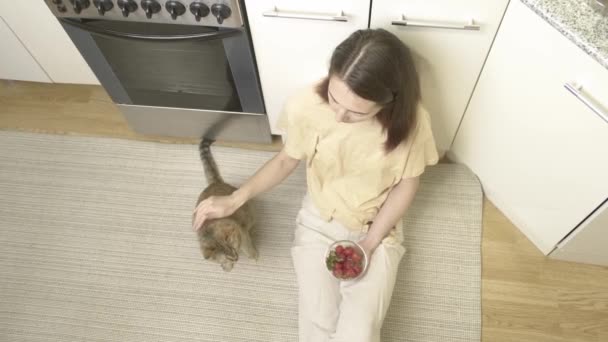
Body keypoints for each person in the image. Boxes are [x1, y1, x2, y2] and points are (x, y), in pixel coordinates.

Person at [192, 28, 439, 342]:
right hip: (319, 219)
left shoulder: (414, 122)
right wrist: (235, 199)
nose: (338, 115)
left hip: (378, 224)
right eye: (335, 99)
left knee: (360, 333)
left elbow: (407, 184)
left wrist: (370, 242)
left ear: (387, 103)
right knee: (318, 324)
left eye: (355, 112)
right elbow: (285, 160)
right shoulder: (306, 104)